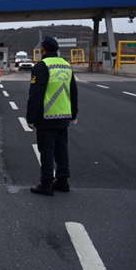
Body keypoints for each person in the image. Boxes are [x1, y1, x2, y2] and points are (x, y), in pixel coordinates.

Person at [26, 36, 78, 196]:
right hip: (63, 116)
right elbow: (74, 91)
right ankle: (62, 180)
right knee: (61, 149)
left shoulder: (42, 66)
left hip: (47, 117)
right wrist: (73, 113)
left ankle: (46, 183)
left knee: (46, 150)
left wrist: (31, 118)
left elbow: (36, 94)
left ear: (42, 49)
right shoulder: (66, 65)